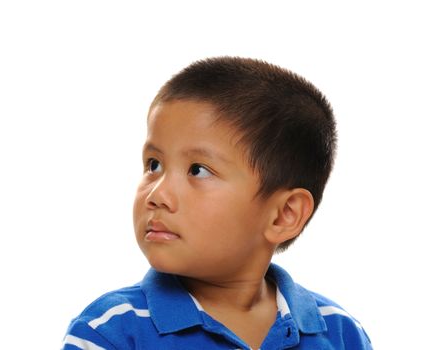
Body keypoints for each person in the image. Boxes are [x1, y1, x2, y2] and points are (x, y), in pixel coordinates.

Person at [61, 57, 372, 349]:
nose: (157, 195)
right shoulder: (110, 331)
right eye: (153, 164)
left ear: (283, 215)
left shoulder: (340, 332)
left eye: (198, 170)